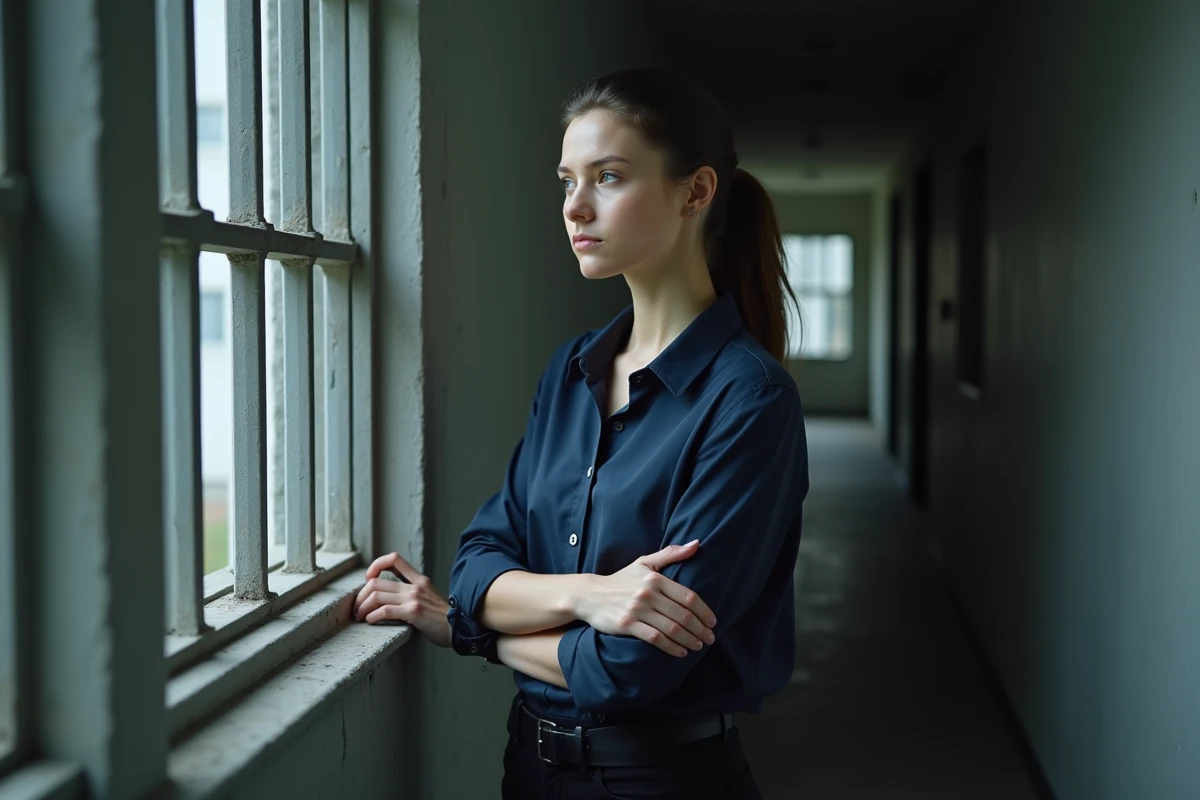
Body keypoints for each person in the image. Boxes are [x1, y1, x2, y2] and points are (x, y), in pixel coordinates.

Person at [352, 67, 809, 799]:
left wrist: (470, 628)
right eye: (568, 181)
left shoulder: (749, 402)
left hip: (661, 782)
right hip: (530, 768)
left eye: (609, 177)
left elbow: (633, 667)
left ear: (695, 192)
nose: (576, 207)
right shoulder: (572, 370)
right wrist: (590, 596)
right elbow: (476, 567)